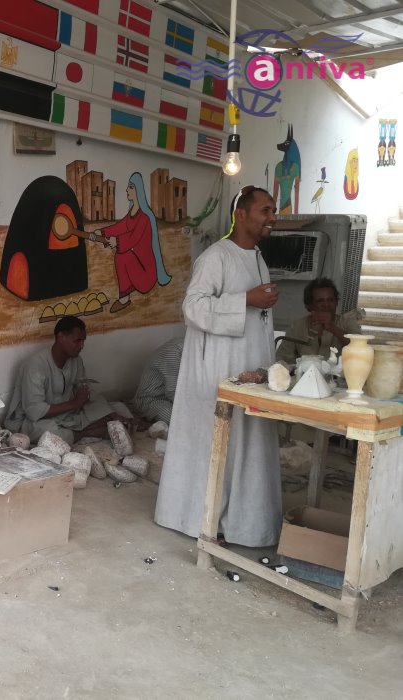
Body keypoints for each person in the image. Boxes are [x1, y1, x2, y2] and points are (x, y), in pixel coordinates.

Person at [155, 186, 282, 547]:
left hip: (250, 369)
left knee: (250, 445)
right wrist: (246, 300)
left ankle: (246, 525)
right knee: (215, 443)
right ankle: (199, 518)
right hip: (217, 370)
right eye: (265, 210)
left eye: (273, 210)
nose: (272, 218)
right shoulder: (216, 257)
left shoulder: (257, 258)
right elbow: (192, 307)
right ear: (241, 215)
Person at [5, 315, 132, 444]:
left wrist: (111, 414)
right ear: (61, 337)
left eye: (83, 341)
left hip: (65, 415)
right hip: (32, 421)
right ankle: (84, 433)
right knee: (51, 432)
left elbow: (86, 392)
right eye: (77, 341)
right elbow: (34, 411)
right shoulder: (35, 366)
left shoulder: (76, 361)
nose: (82, 346)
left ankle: (90, 429)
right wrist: (75, 403)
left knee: (118, 408)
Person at [95, 171, 171, 314]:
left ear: (138, 190)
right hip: (138, 267)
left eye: (130, 187)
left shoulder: (144, 218)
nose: (126, 190)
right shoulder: (132, 213)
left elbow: (133, 238)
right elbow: (119, 227)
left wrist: (117, 241)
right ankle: (127, 293)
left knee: (122, 255)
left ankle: (124, 299)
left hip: (146, 274)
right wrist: (102, 232)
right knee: (122, 255)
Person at [275, 278, 361, 363]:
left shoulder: (347, 322)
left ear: (336, 302)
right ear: (309, 306)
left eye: (330, 300)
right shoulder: (297, 326)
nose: (326, 305)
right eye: (320, 301)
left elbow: (359, 350)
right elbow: (281, 359)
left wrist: (332, 327)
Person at [133, 336, 184, 426]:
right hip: (152, 399)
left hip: (176, 397)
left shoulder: (198, 350)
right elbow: (173, 391)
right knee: (181, 421)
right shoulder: (173, 352)